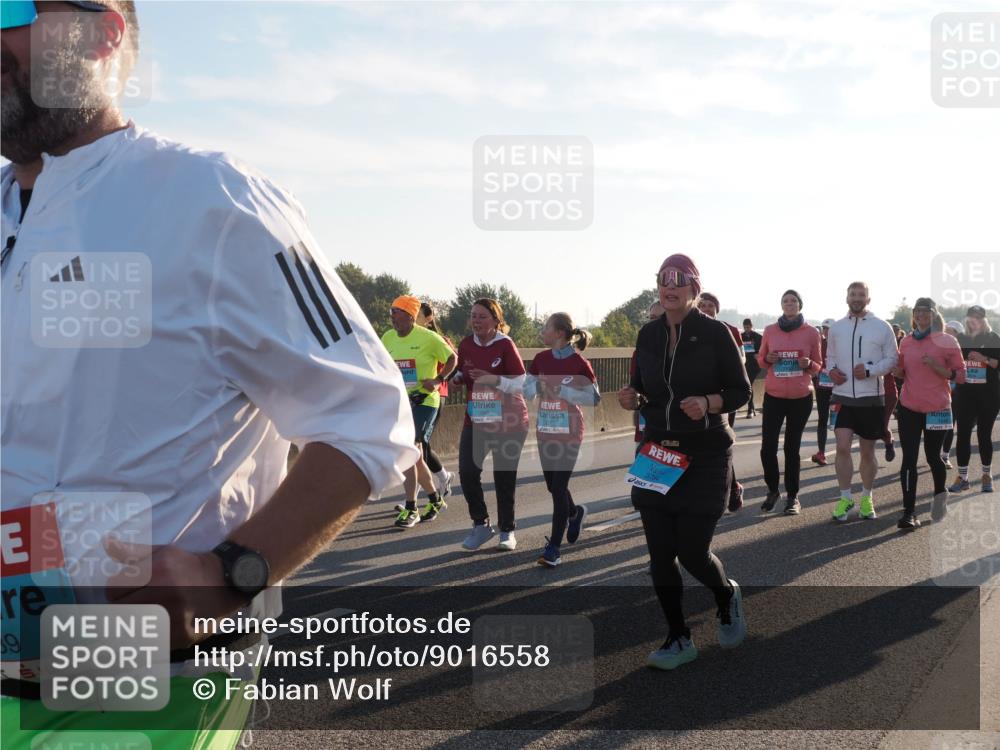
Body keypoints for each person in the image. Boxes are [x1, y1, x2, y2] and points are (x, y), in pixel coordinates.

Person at [0, 2, 417, 746]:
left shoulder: (214, 197)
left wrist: (230, 575)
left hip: (145, 678)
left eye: (11, 7)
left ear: (103, 32)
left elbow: (367, 417)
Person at [618, 254, 750, 671]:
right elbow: (643, 387)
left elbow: (742, 391)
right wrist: (632, 397)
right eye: (663, 279)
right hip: (658, 451)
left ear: (694, 288)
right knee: (660, 555)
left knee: (692, 553)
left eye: (678, 280)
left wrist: (709, 402)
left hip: (706, 452)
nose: (669, 286)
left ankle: (726, 594)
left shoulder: (715, 333)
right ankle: (678, 637)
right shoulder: (648, 334)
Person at [524, 314, 600, 567]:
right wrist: (535, 387)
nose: (542, 332)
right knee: (552, 486)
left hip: (570, 433)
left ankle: (554, 548)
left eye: (545, 327)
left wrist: (564, 391)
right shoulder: (540, 359)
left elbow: (594, 398)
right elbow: (527, 390)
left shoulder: (579, 363)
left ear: (558, 333)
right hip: (546, 430)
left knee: (558, 489)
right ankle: (575, 513)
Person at [453, 299, 530, 551]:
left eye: (482, 316)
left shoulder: (505, 345)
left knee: (503, 476)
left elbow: (520, 383)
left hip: (509, 421)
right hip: (477, 418)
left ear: (496, 320)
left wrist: (493, 379)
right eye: (473, 316)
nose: (476, 321)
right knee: (467, 471)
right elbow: (464, 371)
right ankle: (481, 525)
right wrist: (457, 378)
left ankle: (507, 530)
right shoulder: (466, 344)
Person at [381, 296, 457, 528]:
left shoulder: (429, 338)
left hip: (425, 401)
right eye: (391, 311)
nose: (391, 316)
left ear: (409, 315)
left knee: (410, 448)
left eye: (395, 312)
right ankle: (434, 499)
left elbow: (452, 358)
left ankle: (411, 507)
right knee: (413, 455)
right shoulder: (387, 337)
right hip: (402, 402)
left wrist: (438, 380)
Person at [826, 282, 899, 521]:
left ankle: (867, 497)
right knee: (842, 447)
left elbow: (892, 359)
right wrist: (832, 371)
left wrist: (870, 370)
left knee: (867, 452)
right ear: (846, 297)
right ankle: (846, 498)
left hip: (871, 399)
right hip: (842, 396)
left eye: (861, 295)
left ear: (868, 299)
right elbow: (830, 357)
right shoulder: (836, 328)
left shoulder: (882, 327)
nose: (856, 298)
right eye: (853, 294)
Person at [891, 299, 966, 529]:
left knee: (934, 457)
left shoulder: (947, 341)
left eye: (926, 311)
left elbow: (961, 376)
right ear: (913, 315)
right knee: (909, 459)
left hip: (937, 408)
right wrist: (897, 372)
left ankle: (940, 497)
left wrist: (937, 367)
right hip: (909, 407)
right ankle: (909, 512)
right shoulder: (906, 341)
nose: (921, 315)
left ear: (934, 315)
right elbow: (902, 372)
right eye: (917, 311)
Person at [756, 290, 823, 515]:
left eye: (793, 300)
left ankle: (793, 496)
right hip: (773, 396)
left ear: (800, 305)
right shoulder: (770, 330)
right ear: (781, 305)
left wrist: (808, 364)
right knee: (767, 448)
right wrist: (767, 359)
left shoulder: (811, 332)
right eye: (785, 301)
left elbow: (818, 365)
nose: (789, 303)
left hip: (800, 397)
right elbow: (761, 359)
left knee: (791, 448)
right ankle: (773, 490)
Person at [697, 292, 745, 512]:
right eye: (702, 305)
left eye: (710, 305)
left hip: (724, 396)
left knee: (722, 441)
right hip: (698, 396)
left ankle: (732, 488)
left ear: (717, 309)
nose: (706, 308)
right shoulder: (689, 328)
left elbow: (741, 359)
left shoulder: (728, 330)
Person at [949, 306, 1000, 493]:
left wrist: (982, 358)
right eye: (971, 316)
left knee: (984, 435)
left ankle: (987, 475)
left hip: (989, 395)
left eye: (978, 317)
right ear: (967, 318)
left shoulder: (992, 337)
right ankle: (963, 478)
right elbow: (953, 364)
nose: (974, 320)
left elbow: (997, 364)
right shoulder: (961, 339)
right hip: (965, 394)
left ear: (984, 319)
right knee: (962, 435)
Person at [418, 301, 456, 499]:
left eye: (417, 315)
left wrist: (436, 380)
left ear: (428, 318)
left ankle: (414, 497)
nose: (413, 318)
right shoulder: (402, 338)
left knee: (419, 443)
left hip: (435, 395)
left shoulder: (439, 339)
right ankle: (443, 476)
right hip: (413, 395)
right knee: (418, 444)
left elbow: (454, 362)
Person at [632, 301, 665, 447]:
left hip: (677, 433)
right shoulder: (641, 351)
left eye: (660, 318)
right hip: (647, 429)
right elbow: (636, 388)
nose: (654, 322)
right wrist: (630, 398)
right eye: (652, 318)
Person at [811, 318, 837, 466]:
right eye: (824, 328)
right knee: (822, 419)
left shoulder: (841, 344)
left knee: (838, 422)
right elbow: (813, 363)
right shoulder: (819, 343)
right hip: (822, 388)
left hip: (838, 389)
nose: (826, 331)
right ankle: (821, 453)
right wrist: (815, 372)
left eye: (829, 328)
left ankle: (843, 450)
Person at [741, 319, 763, 418]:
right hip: (745, 365)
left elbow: (764, 348)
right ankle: (751, 408)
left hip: (754, 365)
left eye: (748, 327)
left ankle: (750, 409)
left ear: (751, 326)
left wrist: (758, 354)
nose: (746, 329)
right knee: (748, 385)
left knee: (749, 384)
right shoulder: (740, 336)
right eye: (745, 327)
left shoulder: (758, 337)